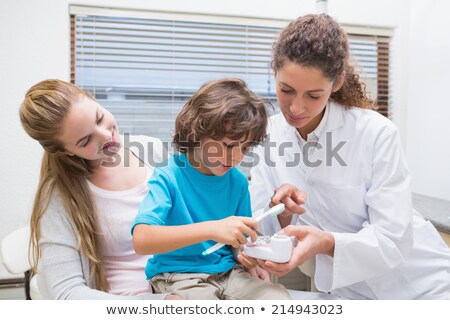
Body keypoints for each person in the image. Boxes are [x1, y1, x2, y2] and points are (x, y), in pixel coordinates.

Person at [239, 14, 450, 299]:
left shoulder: (375, 133)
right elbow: (260, 224)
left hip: (421, 286)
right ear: (274, 70)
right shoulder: (269, 136)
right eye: (286, 90)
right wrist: (284, 216)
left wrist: (325, 242)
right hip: (347, 293)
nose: (296, 107)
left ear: (336, 83)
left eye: (313, 95)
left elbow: (392, 240)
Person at [19, 79, 180, 300]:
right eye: (86, 141)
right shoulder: (59, 196)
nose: (106, 136)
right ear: (65, 151)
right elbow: (67, 293)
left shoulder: (150, 150)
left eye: (100, 118)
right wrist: (157, 303)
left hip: (181, 285)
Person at [132, 78, 291, 300]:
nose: (236, 158)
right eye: (227, 145)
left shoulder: (237, 182)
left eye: (244, 148)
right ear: (197, 131)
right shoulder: (168, 177)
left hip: (229, 273)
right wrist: (212, 229)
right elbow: (142, 240)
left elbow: (238, 242)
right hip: (178, 275)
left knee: (276, 298)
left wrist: (245, 255)